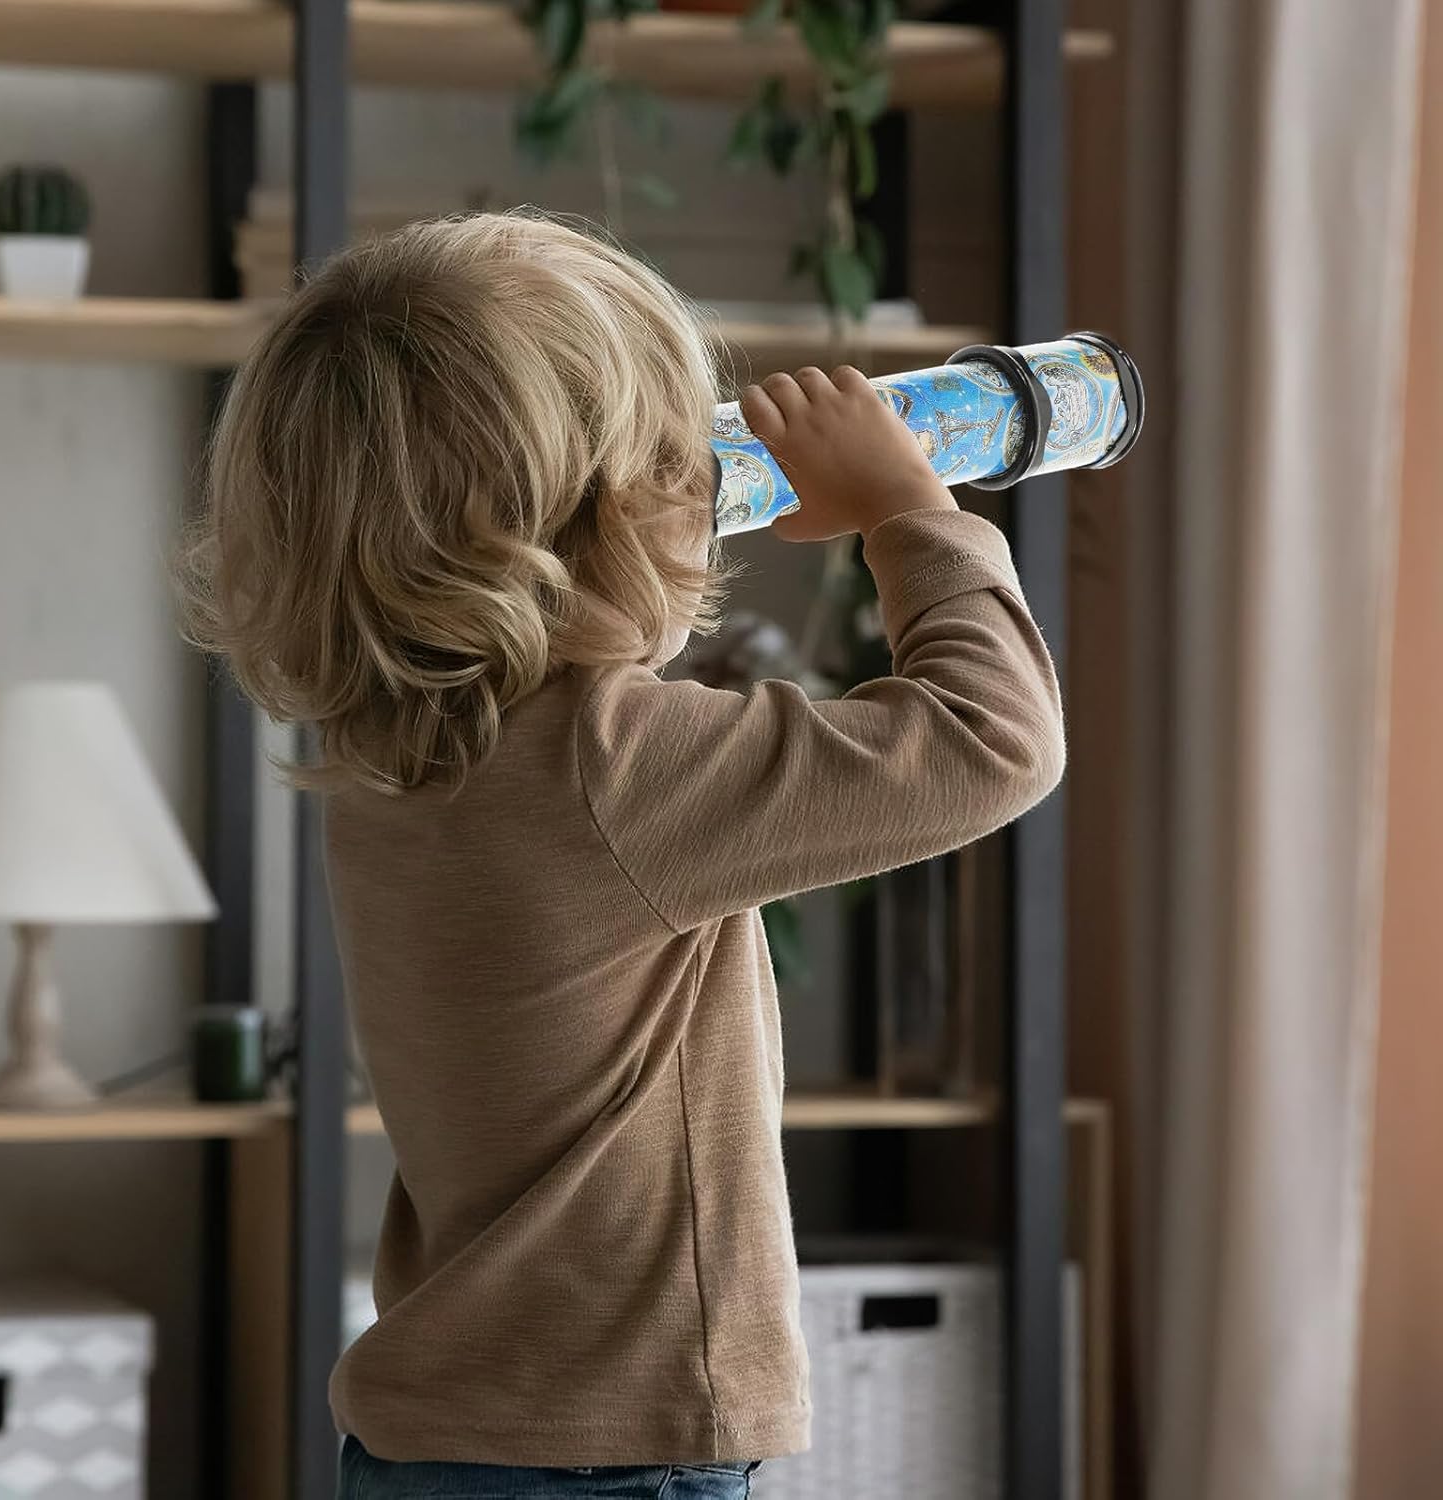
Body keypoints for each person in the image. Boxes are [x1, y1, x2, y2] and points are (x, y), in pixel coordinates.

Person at [181, 211, 1064, 1500]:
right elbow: (993, 740)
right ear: (587, 522)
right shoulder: (614, 767)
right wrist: (907, 512)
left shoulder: (392, 748)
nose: (710, 487)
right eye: (681, 458)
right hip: (615, 1449)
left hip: (438, 1436)